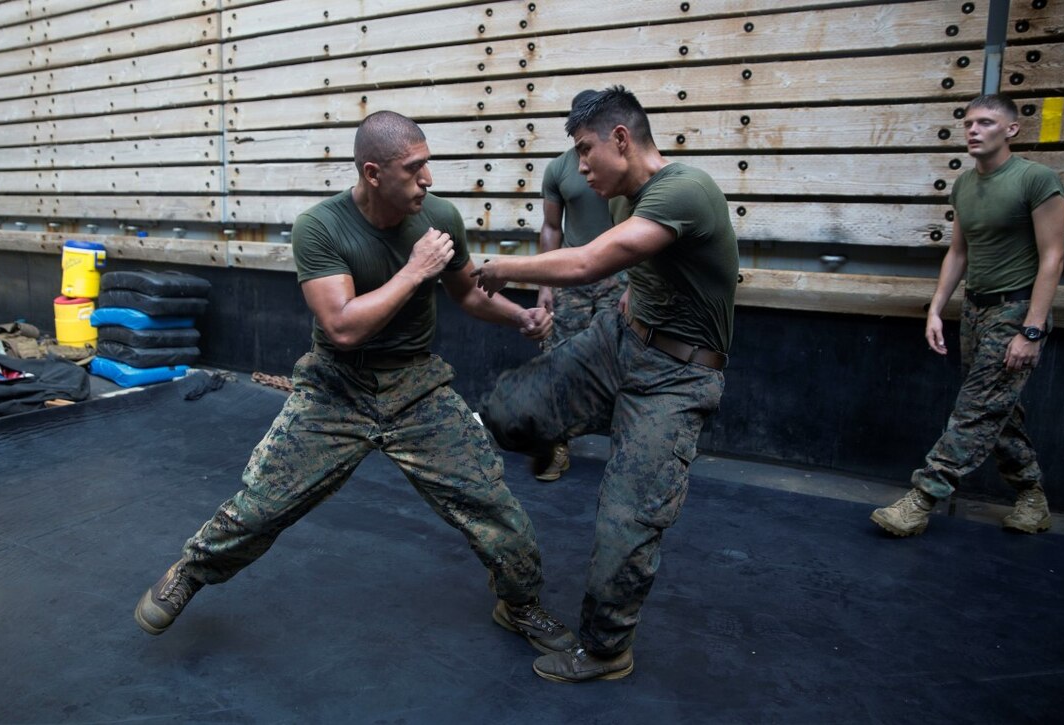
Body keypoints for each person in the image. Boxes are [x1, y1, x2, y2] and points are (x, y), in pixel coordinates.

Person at [134, 111, 578, 659]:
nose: (428, 179)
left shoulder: (439, 217)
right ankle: (190, 571)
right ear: (373, 173)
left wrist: (518, 316)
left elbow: (466, 293)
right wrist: (414, 270)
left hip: (416, 384)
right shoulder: (320, 226)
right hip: (335, 387)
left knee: (490, 503)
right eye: (413, 169)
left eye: (427, 164)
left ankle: (519, 603)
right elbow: (342, 326)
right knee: (262, 505)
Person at [471, 86, 739, 682]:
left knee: (626, 521)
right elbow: (642, 268)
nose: (581, 165)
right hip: (620, 341)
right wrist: (631, 301)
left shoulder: (685, 189)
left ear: (621, 139)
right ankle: (554, 432)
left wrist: (502, 267)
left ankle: (606, 649)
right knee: (509, 409)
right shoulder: (625, 198)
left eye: (586, 149)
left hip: (676, 377)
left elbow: (588, 261)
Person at [871, 94, 1064, 537]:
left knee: (975, 410)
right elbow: (958, 252)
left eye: (985, 123)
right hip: (977, 310)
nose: (974, 130)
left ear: (1011, 129)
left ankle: (922, 499)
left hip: (1017, 310)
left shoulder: (1036, 180)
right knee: (997, 408)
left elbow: (1053, 258)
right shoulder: (964, 185)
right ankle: (1032, 496)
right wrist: (936, 310)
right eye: (968, 123)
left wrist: (1031, 330)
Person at [533, 90, 628, 482]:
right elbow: (550, 227)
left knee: (622, 361)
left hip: (617, 277)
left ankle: (627, 457)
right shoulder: (558, 169)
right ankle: (557, 448)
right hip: (571, 279)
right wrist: (545, 284)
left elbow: (641, 228)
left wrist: (635, 284)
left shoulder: (620, 167)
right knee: (558, 361)